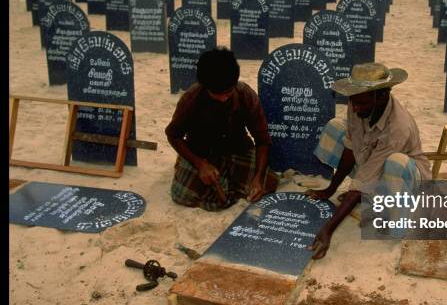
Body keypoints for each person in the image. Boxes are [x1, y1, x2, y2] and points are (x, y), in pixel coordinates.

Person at [306, 63, 431, 259]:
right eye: (352, 102)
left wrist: (328, 229)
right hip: (373, 163)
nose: (354, 109)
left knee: (395, 162)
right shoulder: (356, 101)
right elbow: (350, 146)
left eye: (361, 104)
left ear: (381, 96)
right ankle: (371, 197)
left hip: (406, 177)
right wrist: (331, 189)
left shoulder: (399, 127)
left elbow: (364, 179)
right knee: (336, 127)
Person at [165, 47, 279, 211]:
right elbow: (172, 135)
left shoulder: (245, 95)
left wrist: (258, 178)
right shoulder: (191, 98)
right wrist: (200, 164)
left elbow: (262, 140)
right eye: (217, 94)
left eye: (228, 92)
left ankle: (228, 182)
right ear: (206, 87)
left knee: (269, 181)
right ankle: (220, 180)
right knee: (182, 195)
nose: (224, 98)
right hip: (200, 151)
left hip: (236, 149)